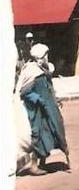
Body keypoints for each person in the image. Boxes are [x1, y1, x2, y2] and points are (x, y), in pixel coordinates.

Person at [16, 44, 69, 176]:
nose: (47, 57)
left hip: (47, 108)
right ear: (40, 56)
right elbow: (25, 92)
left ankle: (42, 163)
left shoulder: (42, 69)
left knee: (49, 134)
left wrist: (54, 99)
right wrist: (40, 100)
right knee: (38, 136)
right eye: (45, 55)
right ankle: (33, 166)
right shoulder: (32, 71)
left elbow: (48, 88)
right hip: (36, 110)